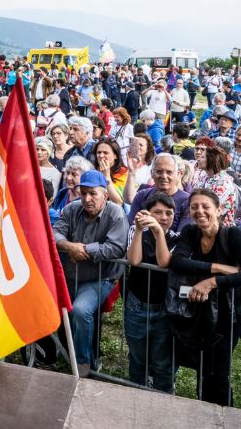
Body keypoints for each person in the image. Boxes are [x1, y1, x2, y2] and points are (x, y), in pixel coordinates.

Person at [169, 188, 241, 406]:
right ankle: (204, 412)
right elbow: (178, 261)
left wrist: (211, 282)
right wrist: (219, 268)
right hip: (202, 312)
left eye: (205, 206)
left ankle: (224, 415)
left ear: (218, 210)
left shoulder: (233, 235)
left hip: (229, 315)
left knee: (218, 374)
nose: (200, 211)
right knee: (203, 370)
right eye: (194, 207)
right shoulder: (191, 232)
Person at [53, 170, 128, 376]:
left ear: (105, 194)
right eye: (83, 193)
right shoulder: (71, 208)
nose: (87, 199)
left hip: (100, 278)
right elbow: (55, 232)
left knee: (81, 310)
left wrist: (84, 250)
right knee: (59, 310)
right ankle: (60, 354)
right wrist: (69, 247)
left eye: (92, 194)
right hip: (70, 275)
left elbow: (116, 247)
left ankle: (83, 362)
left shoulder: (116, 214)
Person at [124, 191, 177, 393]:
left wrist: (158, 233)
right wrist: (139, 230)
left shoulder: (177, 239)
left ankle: (164, 396)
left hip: (164, 308)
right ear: (147, 213)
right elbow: (134, 260)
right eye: (158, 212)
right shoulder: (135, 231)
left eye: (168, 213)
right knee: (137, 357)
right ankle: (136, 392)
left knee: (162, 359)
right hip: (137, 304)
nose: (163, 217)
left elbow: (164, 262)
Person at [187, 137, 236, 223]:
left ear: (211, 160)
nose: (198, 159)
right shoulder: (204, 178)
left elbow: (214, 206)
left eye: (202, 157)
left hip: (219, 226)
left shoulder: (224, 181)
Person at [93, 137, 128, 206]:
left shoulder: (124, 174)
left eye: (105, 153)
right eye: (99, 152)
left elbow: (119, 203)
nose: (101, 156)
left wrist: (107, 177)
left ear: (115, 156)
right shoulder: (93, 172)